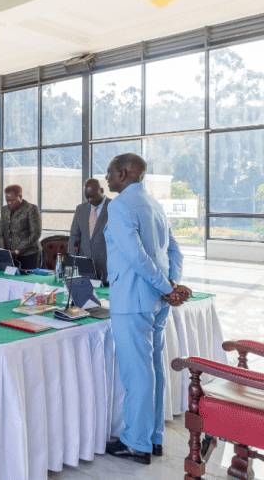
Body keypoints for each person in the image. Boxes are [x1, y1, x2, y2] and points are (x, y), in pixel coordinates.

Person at [103, 153, 191, 464]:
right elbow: (175, 251)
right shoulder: (154, 204)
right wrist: (171, 286)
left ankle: (135, 443)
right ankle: (153, 437)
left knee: (136, 372)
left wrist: (169, 288)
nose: (107, 179)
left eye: (110, 174)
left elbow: (136, 256)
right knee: (152, 367)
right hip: (156, 300)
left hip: (132, 298)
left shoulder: (119, 205)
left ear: (123, 173)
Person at [68, 179, 111, 280]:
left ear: (102, 190)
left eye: (92, 196)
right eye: (87, 197)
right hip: (85, 264)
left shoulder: (113, 207)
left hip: (107, 264)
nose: (90, 200)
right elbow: (74, 235)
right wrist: (71, 260)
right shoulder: (80, 209)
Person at [0, 185, 41, 270]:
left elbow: (35, 234)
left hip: (28, 255)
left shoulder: (31, 209)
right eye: (7, 201)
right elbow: (0, 233)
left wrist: (18, 251)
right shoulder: (4, 210)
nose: (9, 203)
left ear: (20, 196)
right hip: (9, 255)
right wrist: (4, 252)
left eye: (12, 200)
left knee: (26, 281)